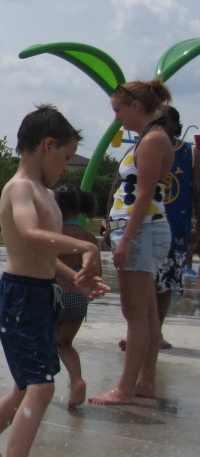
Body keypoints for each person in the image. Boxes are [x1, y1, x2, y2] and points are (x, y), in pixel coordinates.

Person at [0, 105, 108, 457]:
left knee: (27, 385)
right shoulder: (20, 189)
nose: (65, 168)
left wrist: (73, 277)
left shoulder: (45, 193)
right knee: (42, 386)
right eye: (64, 158)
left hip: (39, 293)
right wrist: (85, 245)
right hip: (20, 297)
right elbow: (29, 234)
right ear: (47, 146)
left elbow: (45, 257)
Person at [91, 80, 174, 405]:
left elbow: (144, 194)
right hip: (144, 230)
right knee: (147, 313)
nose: (117, 118)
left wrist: (125, 238)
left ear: (136, 107)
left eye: (118, 110)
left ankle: (126, 387)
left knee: (134, 313)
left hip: (142, 231)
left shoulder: (152, 140)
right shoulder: (150, 139)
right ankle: (145, 381)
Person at [115, 107, 199, 351]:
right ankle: (139, 332)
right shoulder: (139, 147)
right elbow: (120, 184)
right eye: (157, 120)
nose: (160, 125)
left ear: (176, 124)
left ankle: (156, 331)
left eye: (165, 121)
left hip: (176, 225)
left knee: (166, 281)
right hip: (142, 222)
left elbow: (197, 189)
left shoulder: (189, 153)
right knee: (144, 281)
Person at [54, 185, 98, 407]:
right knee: (66, 344)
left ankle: (37, 386)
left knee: (44, 343)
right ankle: (77, 380)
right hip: (78, 300)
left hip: (54, 296)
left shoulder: (54, 235)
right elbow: (95, 275)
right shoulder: (88, 238)